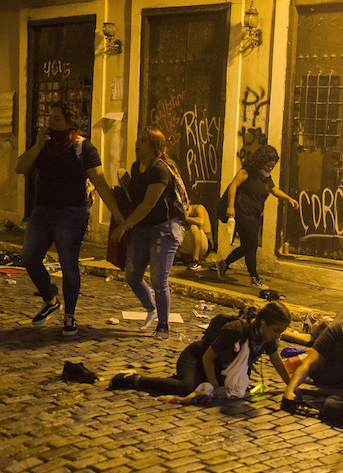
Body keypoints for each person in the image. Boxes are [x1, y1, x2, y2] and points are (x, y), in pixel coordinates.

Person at [16, 101, 120, 337]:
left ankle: (70, 317)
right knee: (30, 258)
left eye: (56, 119)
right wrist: (37, 146)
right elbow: (20, 167)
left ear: (70, 122)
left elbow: (100, 183)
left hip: (71, 213)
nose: (50, 123)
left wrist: (117, 213)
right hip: (42, 211)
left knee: (68, 265)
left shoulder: (83, 147)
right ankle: (51, 301)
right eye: (49, 118)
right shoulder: (43, 144)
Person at [109, 301, 292, 401]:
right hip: (196, 358)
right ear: (263, 323)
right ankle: (133, 379)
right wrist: (217, 386)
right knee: (186, 388)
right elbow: (207, 357)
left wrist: (291, 387)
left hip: (219, 367)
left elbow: (276, 361)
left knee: (229, 393)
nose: (278, 336)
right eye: (276, 330)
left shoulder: (265, 337)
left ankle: (178, 381)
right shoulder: (238, 330)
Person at [111, 127, 187, 339]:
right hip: (142, 228)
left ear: (155, 147)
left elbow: (148, 203)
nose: (138, 143)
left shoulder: (159, 169)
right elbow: (135, 198)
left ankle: (163, 325)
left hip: (163, 229)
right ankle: (152, 308)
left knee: (159, 281)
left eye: (144, 141)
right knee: (133, 276)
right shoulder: (137, 167)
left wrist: (124, 226)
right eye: (138, 139)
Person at [216, 145, 298, 289]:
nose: (269, 169)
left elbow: (273, 189)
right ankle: (254, 278)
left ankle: (224, 263)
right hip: (242, 212)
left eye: (272, 166)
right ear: (261, 161)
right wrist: (230, 206)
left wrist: (289, 198)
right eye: (267, 165)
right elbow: (233, 186)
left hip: (254, 214)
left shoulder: (265, 177)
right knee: (252, 244)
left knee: (247, 245)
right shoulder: (246, 172)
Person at [179, 203, 213, 271]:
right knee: (174, 227)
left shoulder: (199, 208)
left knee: (193, 226)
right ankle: (178, 257)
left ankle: (196, 260)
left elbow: (200, 221)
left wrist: (186, 217)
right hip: (191, 244)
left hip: (205, 243)